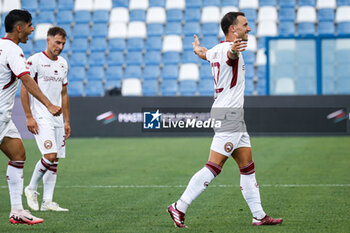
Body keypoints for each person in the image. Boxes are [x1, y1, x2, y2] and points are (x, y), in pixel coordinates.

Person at [167, 12, 283, 228]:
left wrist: (196, 49)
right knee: (214, 166)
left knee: (247, 166)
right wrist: (234, 50)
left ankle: (258, 215)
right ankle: (179, 206)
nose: (248, 28)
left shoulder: (215, 50)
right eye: (245, 25)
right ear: (233, 29)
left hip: (231, 115)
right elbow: (231, 56)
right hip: (228, 115)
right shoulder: (229, 51)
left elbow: (204, 53)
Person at [0, 9, 61, 225]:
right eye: (29, 25)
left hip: (4, 119)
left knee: (18, 154)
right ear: (19, 28)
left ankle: (17, 210)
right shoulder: (13, 50)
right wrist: (49, 104)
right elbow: (26, 80)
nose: (32, 29)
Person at [21, 26, 70, 212]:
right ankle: (31, 188)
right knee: (49, 156)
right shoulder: (35, 61)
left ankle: (48, 201)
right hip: (41, 116)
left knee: (55, 159)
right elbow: (24, 88)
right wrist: (28, 116)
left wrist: (67, 121)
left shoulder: (63, 63)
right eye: (57, 42)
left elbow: (64, 94)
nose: (60, 46)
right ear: (48, 40)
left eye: (63, 43)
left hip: (58, 118)